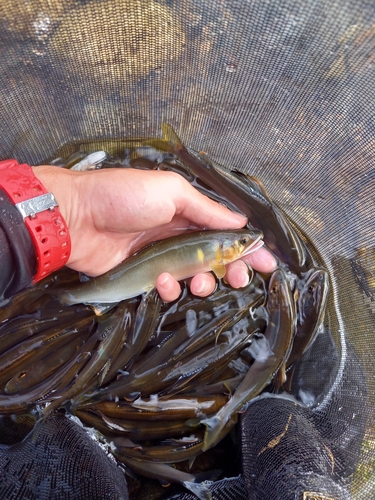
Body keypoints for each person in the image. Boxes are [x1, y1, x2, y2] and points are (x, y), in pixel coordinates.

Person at [0, 162, 277, 302]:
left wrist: (77, 205)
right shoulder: (218, 259)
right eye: (241, 241)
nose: (245, 242)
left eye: (241, 242)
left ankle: (73, 297)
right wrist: (77, 205)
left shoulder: (217, 253)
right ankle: (71, 298)